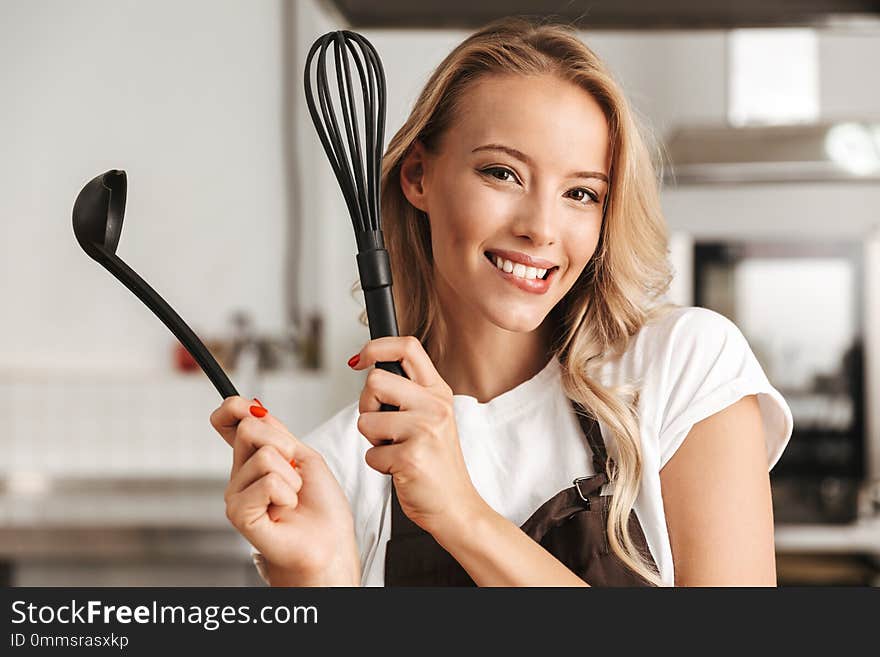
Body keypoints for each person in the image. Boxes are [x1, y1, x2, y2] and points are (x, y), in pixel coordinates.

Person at [210, 17, 793, 587]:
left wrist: (461, 513)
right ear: (418, 177)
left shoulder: (681, 370)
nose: (541, 228)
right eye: (503, 174)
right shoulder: (339, 469)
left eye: (581, 193)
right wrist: (316, 581)